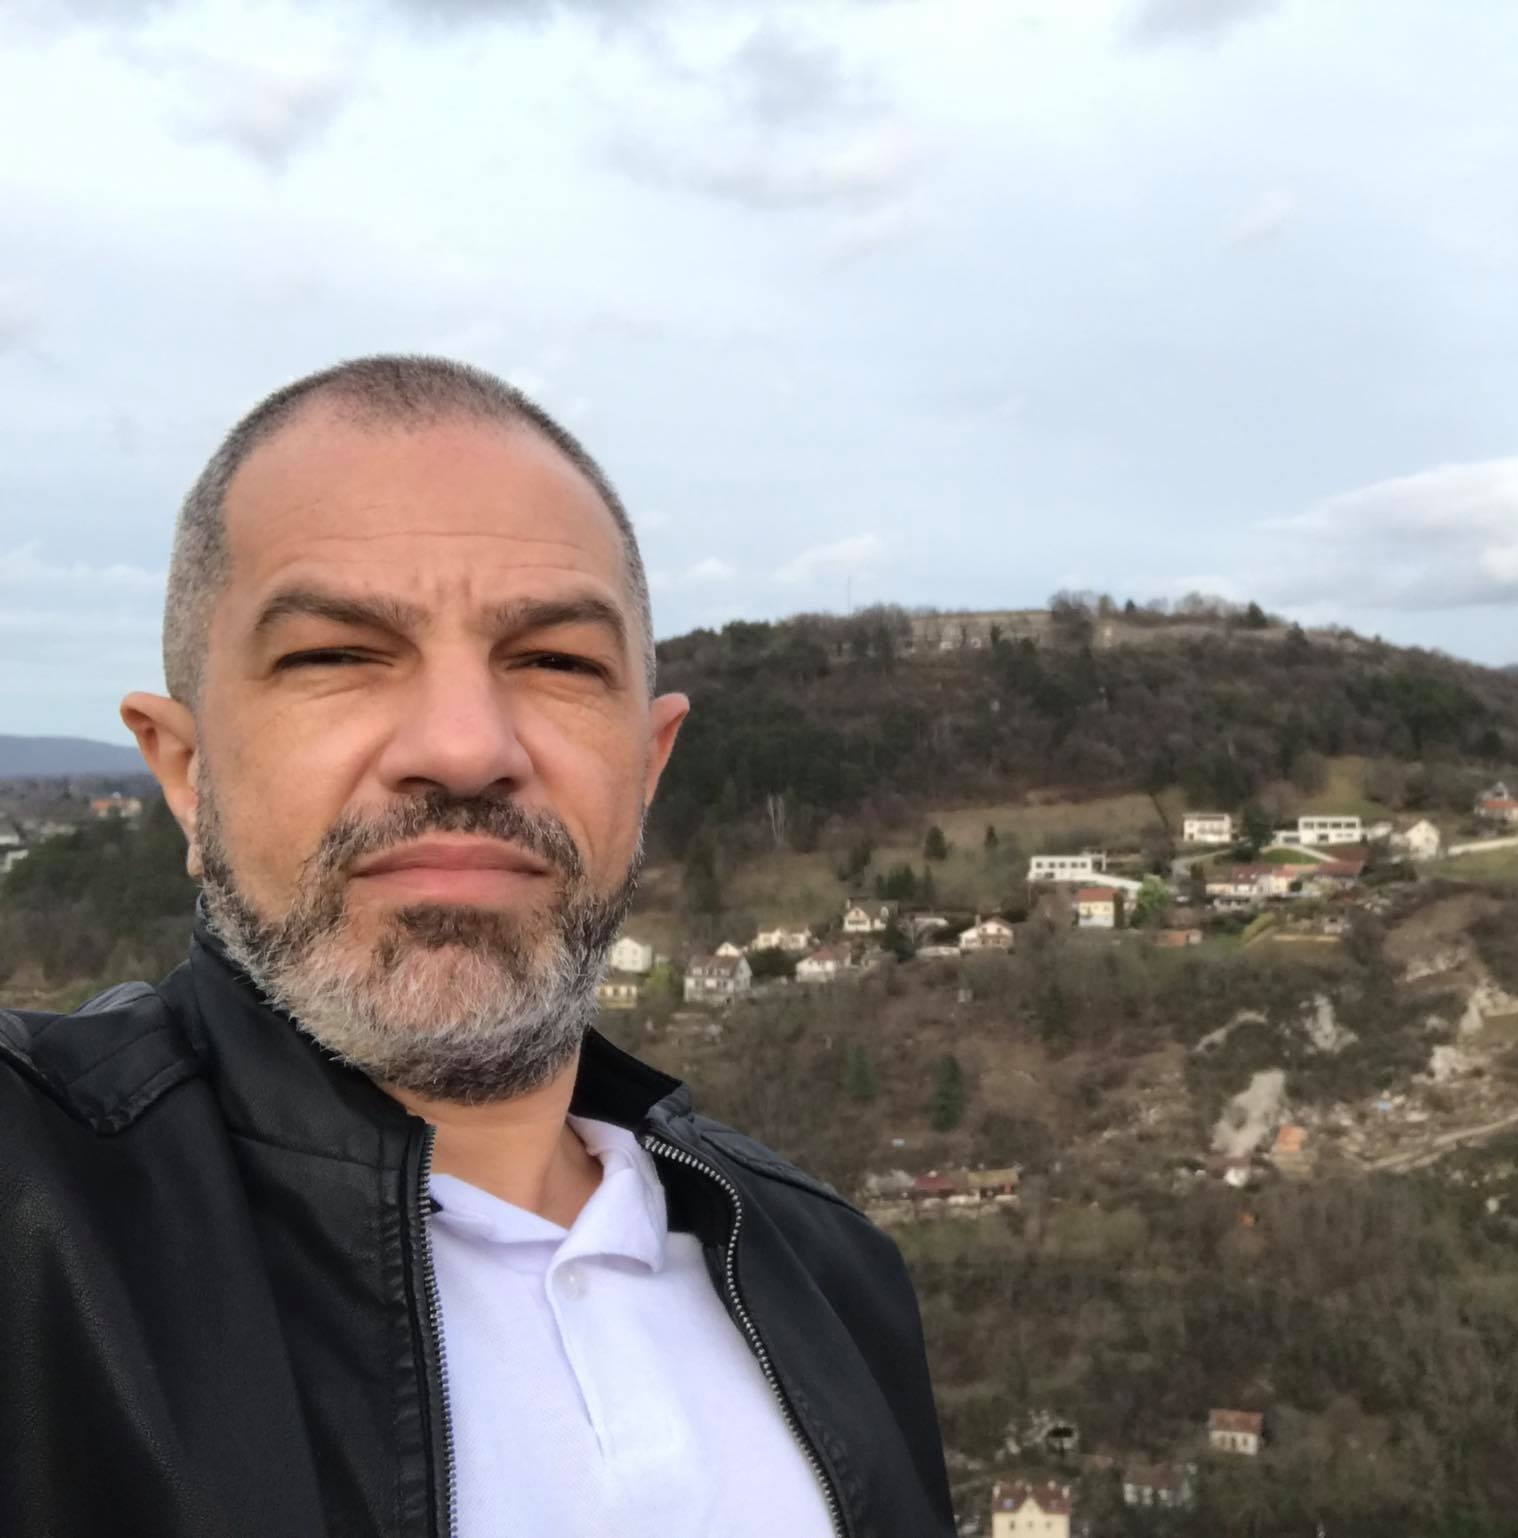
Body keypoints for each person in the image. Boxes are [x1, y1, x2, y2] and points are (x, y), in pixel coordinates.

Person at [0, 356, 956, 1538]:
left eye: (556, 661)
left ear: (647, 766)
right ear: (186, 771)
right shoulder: (38, 1215)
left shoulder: (833, 1273)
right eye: (336, 654)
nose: (464, 747)